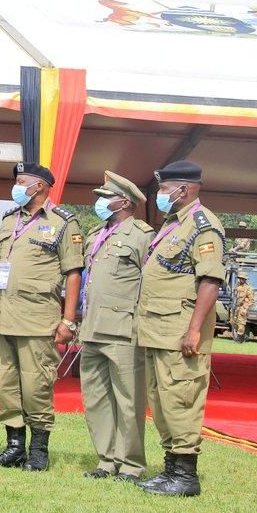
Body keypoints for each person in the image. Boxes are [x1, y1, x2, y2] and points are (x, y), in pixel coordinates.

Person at [0, 162, 84, 472]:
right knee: (6, 385)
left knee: (36, 386)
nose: (16, 187)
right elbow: (0, 265)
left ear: (39, 186)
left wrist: (68, 320)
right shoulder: (9, 220)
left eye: (21, 182)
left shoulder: (62, 222)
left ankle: (38, 451)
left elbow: (73, 273)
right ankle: (14, 446)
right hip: (3, 316)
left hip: (37, 319)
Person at [137, 160, 225, 497]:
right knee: (162, 402)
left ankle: (186, 477)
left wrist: (194, 330)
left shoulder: (203, 225)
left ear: (183, 189)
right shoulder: (175, 224)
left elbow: (210, 281)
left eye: (163, 189)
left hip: (180, 330)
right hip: (159, 329)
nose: (159, 195)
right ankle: (171, 470)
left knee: (182, 399)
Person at [79, 171, 154, 482]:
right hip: (92, 327)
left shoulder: (142, 235)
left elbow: (150, 285)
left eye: (105, 197)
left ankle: (131, 464)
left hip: (123, 329)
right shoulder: (96, 234)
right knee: (96, 397)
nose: (99, 202)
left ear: (124, 202)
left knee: (128, 399)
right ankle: (106, 460)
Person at [232, 272, 254, 343]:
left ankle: (239, 339)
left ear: (245, 279)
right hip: (236, 307)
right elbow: (235, 296)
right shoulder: (237, 286)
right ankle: (239, 336)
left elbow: (251, 300)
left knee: (241, 323)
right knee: (234, 322)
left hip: (243, 307)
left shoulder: (248, 288)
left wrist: (245, 308)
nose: (240, 280)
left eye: (242, 278)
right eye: (240, 278)